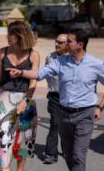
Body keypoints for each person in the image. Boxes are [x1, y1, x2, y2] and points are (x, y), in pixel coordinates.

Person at [7, 28, 104, 171]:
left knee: (78, 155)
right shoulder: (60, 61)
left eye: (69, 42)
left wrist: (99, 107)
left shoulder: (96, 64)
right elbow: (40, 73)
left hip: (85, 115)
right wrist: (21, 72)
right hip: (63, 113)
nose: (66, 44)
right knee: (69, 155)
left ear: (80, 45)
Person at [0, 21, 39, 171]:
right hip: (4, 98)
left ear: (20, 36)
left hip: (26, 99)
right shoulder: (2, 52)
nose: (7, 37)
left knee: (22, 142)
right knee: (4, 137)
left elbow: (33, 82)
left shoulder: (33, 55)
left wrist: (26, 100)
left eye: (11, 34)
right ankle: (5, 168)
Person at [43, 34, 68, 164]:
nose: (57, 44)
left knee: (67, 126)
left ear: (67, 44)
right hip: (54, 97)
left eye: (60, 42)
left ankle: (67, 150)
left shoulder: (72, 58)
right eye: (56, 41)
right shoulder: (50, 57)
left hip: (69, 98)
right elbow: (46, 74)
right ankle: (51, 154)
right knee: (55, 124)